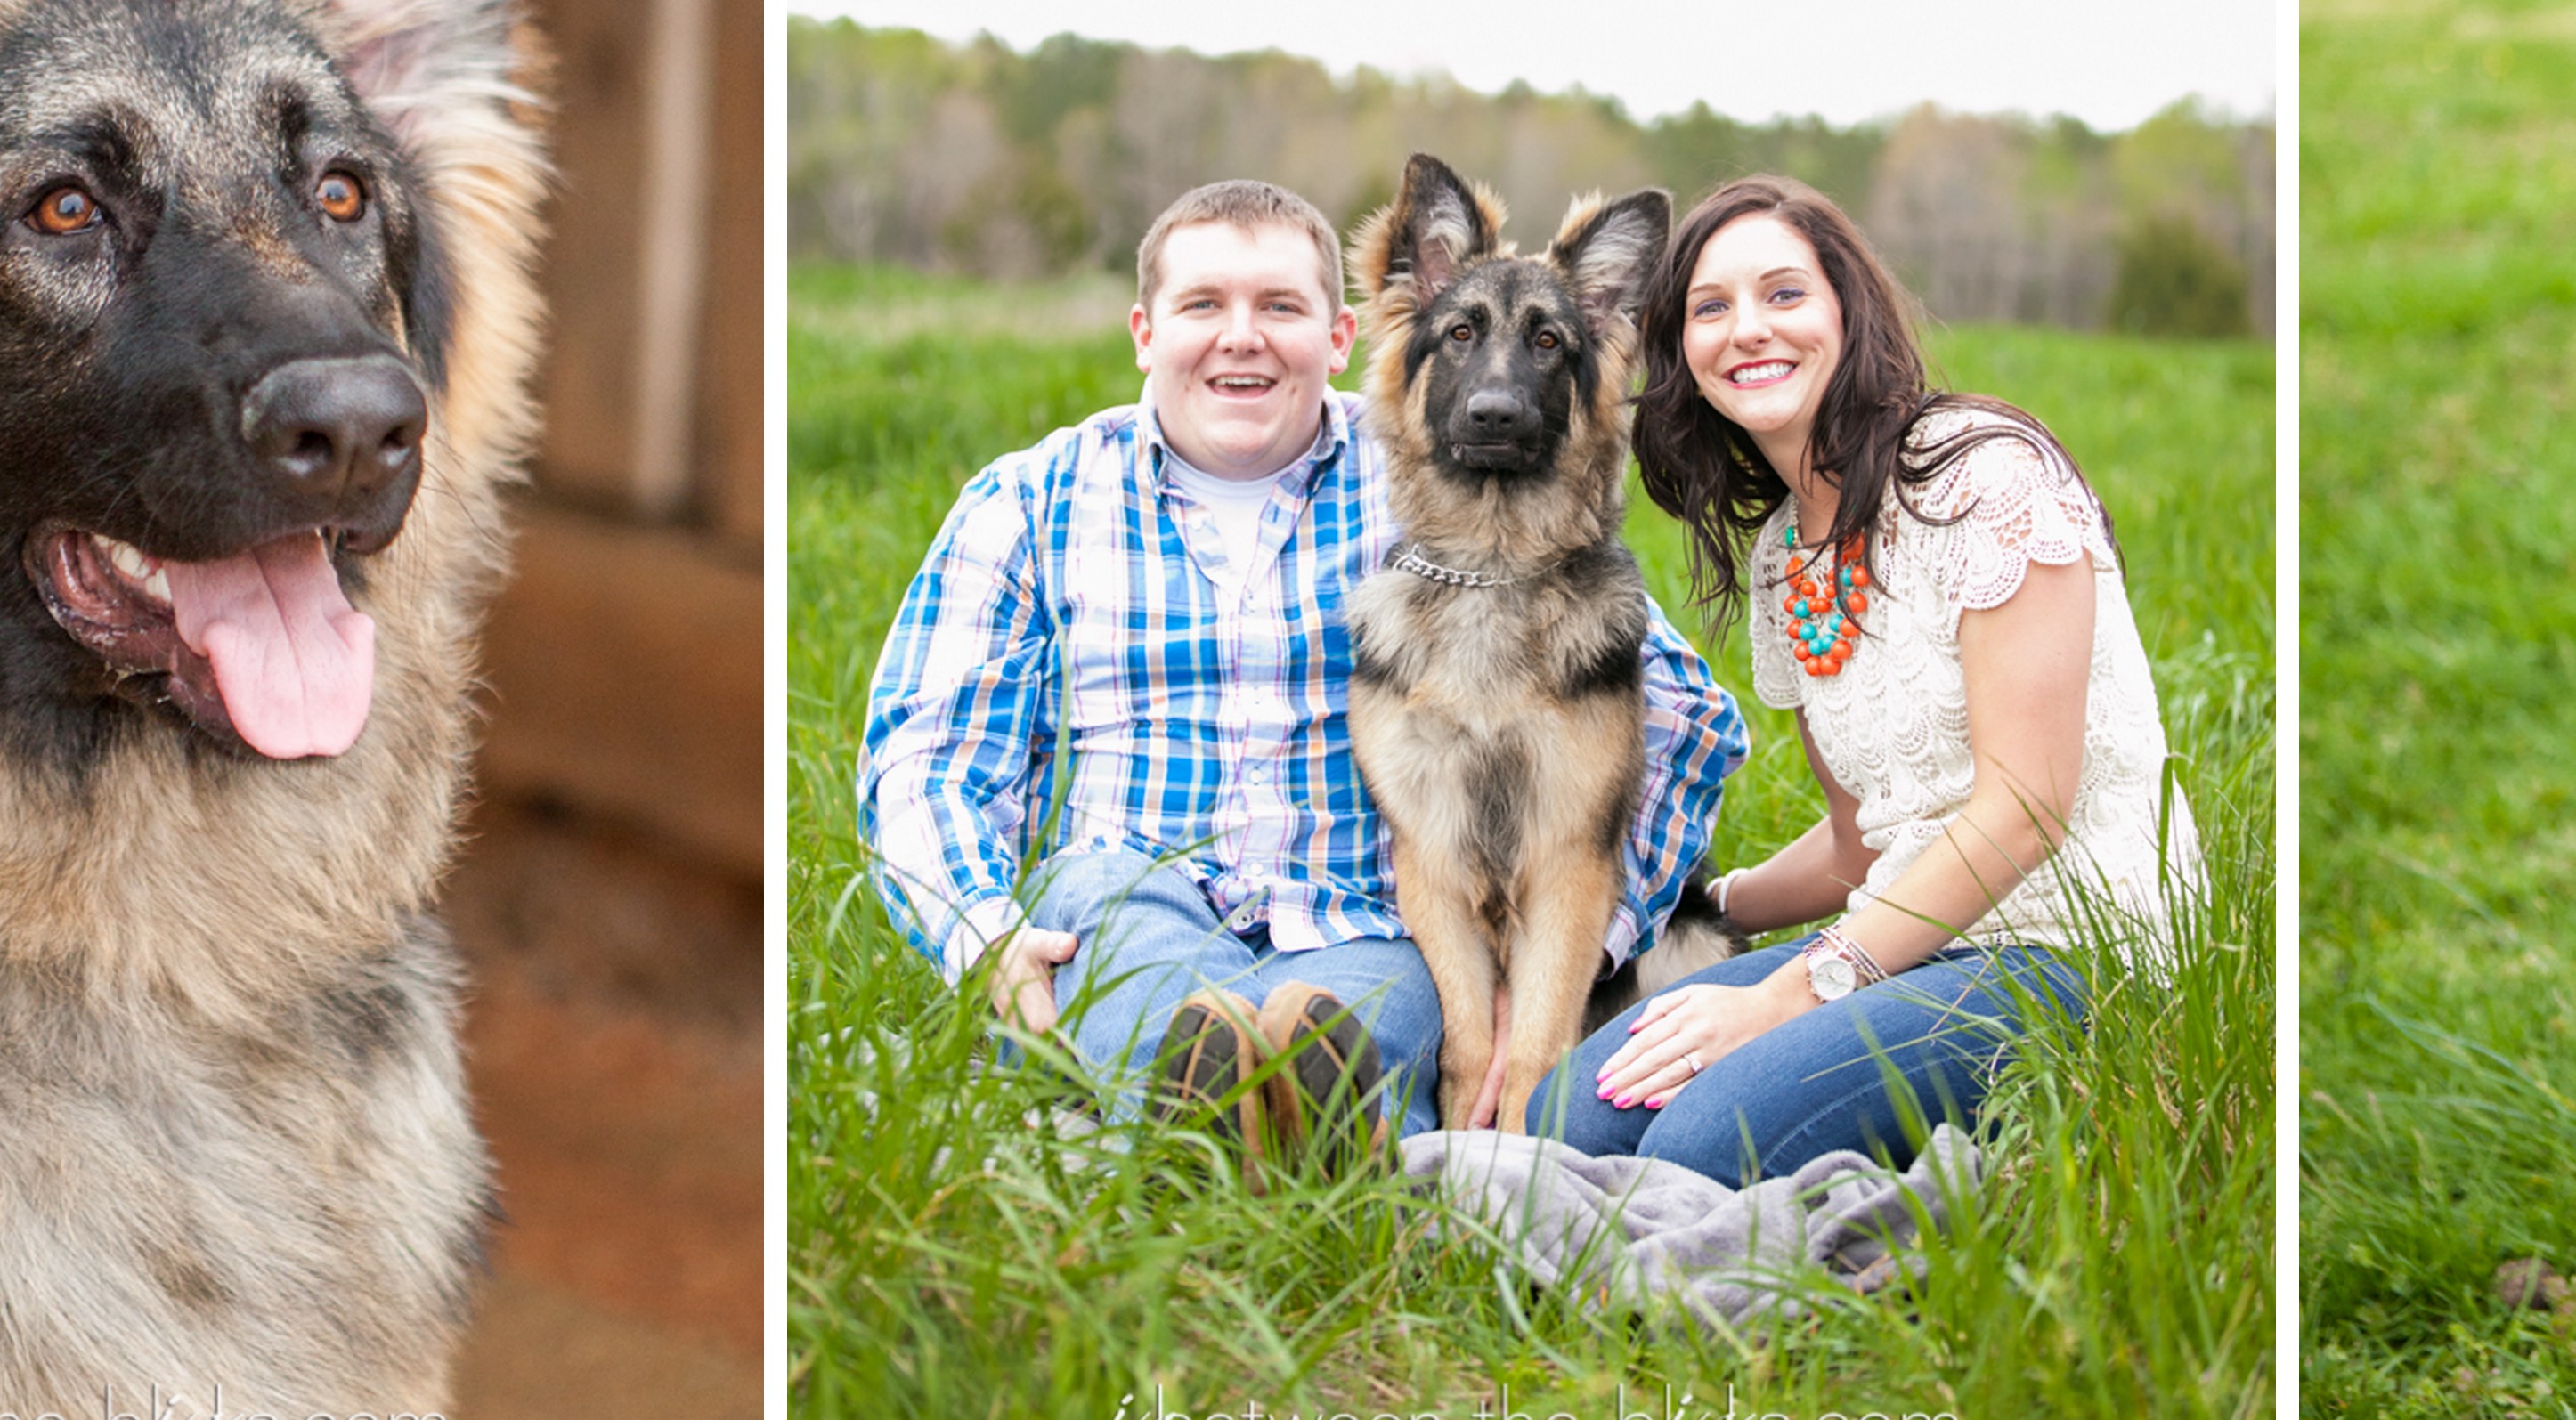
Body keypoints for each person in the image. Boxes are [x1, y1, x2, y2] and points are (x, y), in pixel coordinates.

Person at [858, 178, 1748, 1155]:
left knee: (1361, 1011)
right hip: (1128, 886)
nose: (1241, 337)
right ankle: (1251, 1131)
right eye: (1203, 304)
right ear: (1144, 332)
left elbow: (1679, 716)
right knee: (1137, 956)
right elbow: (923, 764)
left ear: (1338, 336)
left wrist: (1561, 960)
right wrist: (983, 934)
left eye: (1279, 307)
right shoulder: (1031, 499)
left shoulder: (1440, 469)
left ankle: (1225, 1142)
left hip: (1356, 921)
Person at [1525, 174, 2197, 1181]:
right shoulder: (1784, 556)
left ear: (1847, 308)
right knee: (1569, 1115)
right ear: (1681, 355)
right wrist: (1694, 907)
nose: (1748, 329)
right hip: (1903, 942)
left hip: (2071, 953)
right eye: (1710, 308)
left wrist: (1789, 995)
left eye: (1784, 293)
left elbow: (2025, 809)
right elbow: (1858, 841)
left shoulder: (1982, 476)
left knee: (1699, 1144)